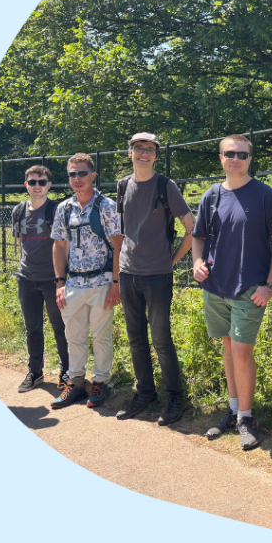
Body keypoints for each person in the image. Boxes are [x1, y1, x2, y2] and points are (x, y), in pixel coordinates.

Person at [192, 135, 272, 451]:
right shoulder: (212, 195)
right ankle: (232, 411)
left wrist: (270, 286)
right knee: (228, 347)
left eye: (242, 154)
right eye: (230, 153)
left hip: (250, 288)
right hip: (216, 286)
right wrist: (197, 262)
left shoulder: (265, 195)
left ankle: (246, 417)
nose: (236, 159)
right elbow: (198, 237)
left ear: (250, 159)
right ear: (221, 158)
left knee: (242, 352)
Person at [114, 132, 195, 425]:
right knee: (136, 339)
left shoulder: (165, 186)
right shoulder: (123, 185)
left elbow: (192, 229)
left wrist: (171, 261)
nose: (144, 154)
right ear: (130, 152)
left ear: (156, 156)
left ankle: (176, 397)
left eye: (150, 150)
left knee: (161, 339)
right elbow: (123, 228)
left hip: (157, 276)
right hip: (128, 274)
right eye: (139, 148)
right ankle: (145, 393)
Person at [50, 154, 123, 409]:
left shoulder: (106, 206)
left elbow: (119, 246)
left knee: (101, 336)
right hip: (73, 284)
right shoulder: (64, 208)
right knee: (74, 337)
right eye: (72, 174)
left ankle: (100, 382)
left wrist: (115, 283)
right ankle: (76, 383)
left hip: (102, 281)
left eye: (82, 173)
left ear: (93, 175)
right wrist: (60, 283)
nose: (77, 178)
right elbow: (59, 246)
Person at [11, 164, 70, 392]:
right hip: (26, 278)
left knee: (60, 327)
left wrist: (61, 278)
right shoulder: (18, 211)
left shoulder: (56, 210)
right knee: (32, 328)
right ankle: (35, 373)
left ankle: (67, 372)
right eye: (33, 182)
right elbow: (20, 242)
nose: (37, 186)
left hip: (52, 279)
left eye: (42, 182)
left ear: (49, 185)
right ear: (26, 185)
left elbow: (64, 245)